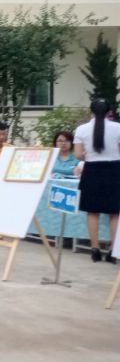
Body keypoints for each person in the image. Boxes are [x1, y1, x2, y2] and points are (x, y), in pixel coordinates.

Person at [74, 99, 120, 264]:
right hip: (114, 170)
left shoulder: (81, 129)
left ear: (91, 111)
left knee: (92, 212)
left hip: (92, 170)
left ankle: (95, 250)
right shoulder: (118, 127)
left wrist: (91, 155)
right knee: (114, 212)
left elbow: (78, 155)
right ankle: (113, 251)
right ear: (109, 112)